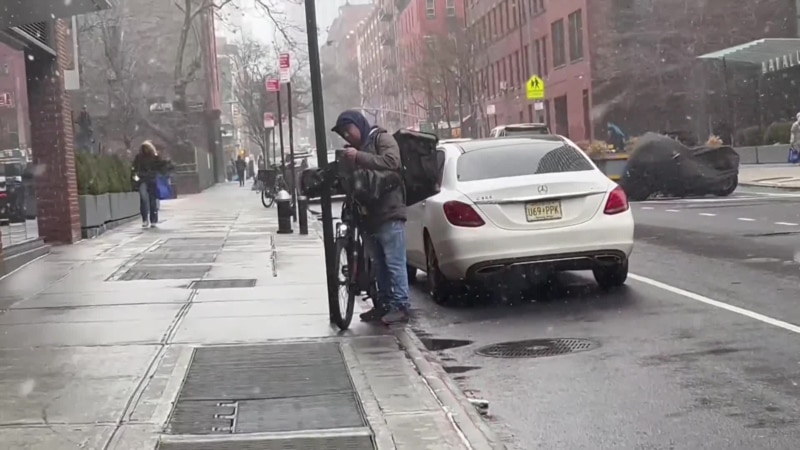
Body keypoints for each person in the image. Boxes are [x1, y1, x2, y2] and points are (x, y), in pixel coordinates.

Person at [332, 110, 410, 325]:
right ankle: (383, 305)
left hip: (389, 211)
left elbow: (392, 161)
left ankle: (401, 306)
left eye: (348, 130)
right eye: (343, 134)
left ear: (359, 125)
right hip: (370, 215)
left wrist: (359, 157)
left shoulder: (381, 138)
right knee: (379, 264)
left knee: (394, 263)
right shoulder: (356, 148)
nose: (347, 136)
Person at [132, 140, 169, 228]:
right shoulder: (139, 157)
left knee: (152, 201)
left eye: (147, 148)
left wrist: (165, 167)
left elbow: (160, 166)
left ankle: (153, 219)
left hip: (152, 180)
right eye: (143, 148)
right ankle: (145, 219)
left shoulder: (155, 157)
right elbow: (135, 168)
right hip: (143, 180)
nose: (145, 150)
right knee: (144, 199)